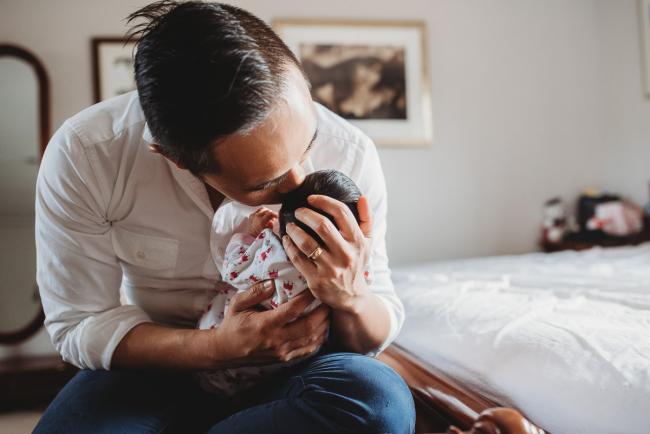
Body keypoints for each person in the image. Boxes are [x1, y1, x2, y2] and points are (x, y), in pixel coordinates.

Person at [33, 1, 415, 433]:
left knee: (377, 402)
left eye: (308, 145)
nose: (298, 183)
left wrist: (350, 297)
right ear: (173, 157)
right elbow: (79, 324)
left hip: (298, 367)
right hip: (155, 362)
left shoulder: (351, 150)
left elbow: (375, 328)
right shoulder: (89, 154)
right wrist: (217, 348)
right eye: (262, 185)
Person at [197, 170, 370, 397]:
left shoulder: (271, 251)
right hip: (290, 368)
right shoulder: (347, 267)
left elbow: (232, 270)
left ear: (283, 217)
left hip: (220, 367)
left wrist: (251, 234)